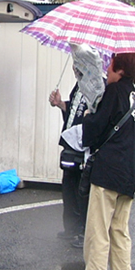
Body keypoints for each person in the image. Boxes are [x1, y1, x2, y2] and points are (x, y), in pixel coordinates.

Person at [70, 53, 135, 270]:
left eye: (111, 63)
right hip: (129, 175)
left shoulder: (113, 93)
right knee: (120, 232)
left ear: (121, 70)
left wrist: (92, 111)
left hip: (107, 172)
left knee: (98, 232)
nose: (107, 67)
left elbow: (95, 129)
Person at [50, 75, 89, 248]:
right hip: (70, 144)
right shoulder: (79, 85)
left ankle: (83, 231)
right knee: (68, 186)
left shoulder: (97, 85)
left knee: (82, 189)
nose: (75, 68)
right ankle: (71, 228)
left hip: (83, 145)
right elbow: (73, 111)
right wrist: (60, 104)